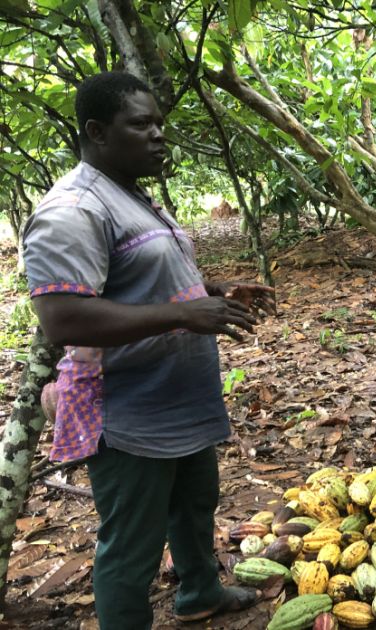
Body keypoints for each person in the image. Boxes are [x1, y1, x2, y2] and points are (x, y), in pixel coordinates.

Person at [22, 72, 276, 629]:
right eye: (141, 124)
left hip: (176, 400)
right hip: (128, 412)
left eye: (160, 122)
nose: (159, 134)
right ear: (97, 131)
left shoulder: (130, 195)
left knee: (193, 505)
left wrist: (212, 291)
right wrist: (184, 315)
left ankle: (200, 593)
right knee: (131, 543)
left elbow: (144, 279)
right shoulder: (73, 209)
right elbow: (63, 317)